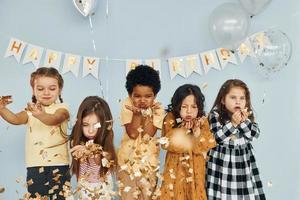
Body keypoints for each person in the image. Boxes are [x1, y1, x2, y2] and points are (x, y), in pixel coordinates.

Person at [0, 67, 70, 199]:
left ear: (59, 89)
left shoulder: (62, 108)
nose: (46, 92)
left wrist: (40, 115)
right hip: (35, 165)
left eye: (52, 88)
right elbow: (15, 119)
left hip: (59, 165)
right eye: (40, 89)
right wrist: (2, 109)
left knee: (60, 197)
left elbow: (54, 119)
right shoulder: (29, 110)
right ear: (33, 90)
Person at [206, 79, 265, 200]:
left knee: (244, 192)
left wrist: (243, 122)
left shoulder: (246, 116)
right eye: (233, 97)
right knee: (222, 193)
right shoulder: (215, 115)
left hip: (242, 162)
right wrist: (233, 123)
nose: (238, 101)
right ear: (223, 100)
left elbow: (254, 134)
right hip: (222, 162)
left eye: (242, 98)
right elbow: (217, 137)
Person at [159, 84, 216, 200]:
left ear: (199, 107)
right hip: (175, 170)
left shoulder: (202, 121)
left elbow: (208, 144)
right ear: (177, 106)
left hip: (196, 170)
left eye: (194, 107)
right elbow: (166, 143)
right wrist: (182, 130)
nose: (189, 111)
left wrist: (197, 133)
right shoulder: (170, 118)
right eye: (184, 107)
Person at [117, 65, 165, 200]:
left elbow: (147, 136)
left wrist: (148, 115)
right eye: (137, 96)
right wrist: (137, 116)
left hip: (149, 165)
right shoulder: (127, 105)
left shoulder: (158, 109)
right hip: (127, 164)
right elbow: (132, 133)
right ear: (129, 94)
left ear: (155, 95)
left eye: (148, 96)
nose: (142, 101)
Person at [70, 96, 117, 200]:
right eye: (85, 125)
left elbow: (105, 159)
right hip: (84, 189)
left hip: (102, 190)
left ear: (105, 124)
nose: (90, 130)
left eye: (96, 125)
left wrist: (91, 152)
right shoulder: (77, 141)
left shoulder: (106, 142)